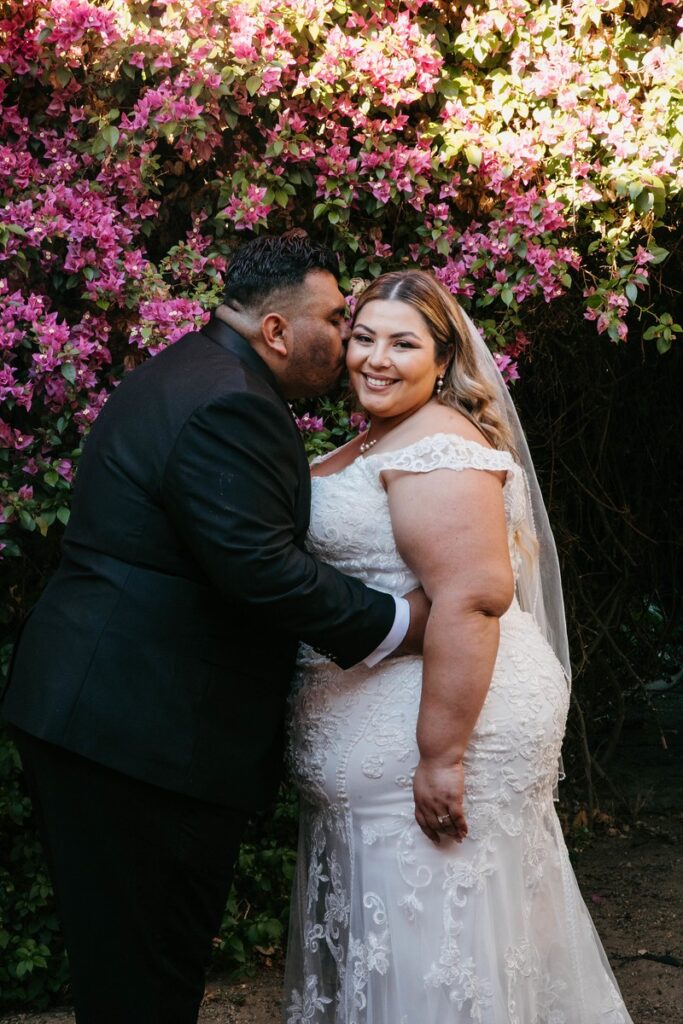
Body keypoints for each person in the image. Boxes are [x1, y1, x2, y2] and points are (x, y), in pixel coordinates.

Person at [1, 233, 429, 1024]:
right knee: (147, 980)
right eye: (337, 320)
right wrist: (405, 623)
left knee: (130, 971)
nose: (347, 338)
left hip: (101, 715)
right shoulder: (230, 400)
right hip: (138, 736)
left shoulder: (188, 370)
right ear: (275, 331)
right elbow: (261, 569)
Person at [284, 270, 633, 1023]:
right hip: (387, 730)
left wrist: (441, 755)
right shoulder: (382, 437)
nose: (374, 358)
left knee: (438, 954)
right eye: (364, 337)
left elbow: (472, 597)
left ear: (442, 359)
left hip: (436, 731)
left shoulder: (436, 442)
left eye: (402, 343)